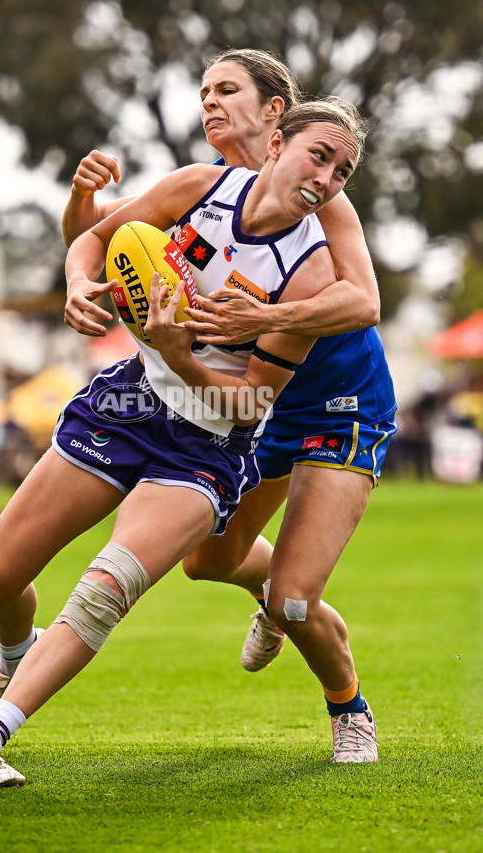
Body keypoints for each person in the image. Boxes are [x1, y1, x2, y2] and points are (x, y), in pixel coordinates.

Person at [0, 96, 368, 787]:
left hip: (206, 444)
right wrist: (81, 285)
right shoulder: (199, 188)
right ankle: (15, 654)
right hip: (128, 402)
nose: (326, 179)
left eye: (342, 172)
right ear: (274, 146)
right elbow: (95, 238)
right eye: (319, 156)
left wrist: (184, 355)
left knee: (106, 587)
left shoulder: (311, 279)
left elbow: (249, 404)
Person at [61, 49, 395, 764]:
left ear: (275, 115)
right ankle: (271, 595)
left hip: (339, 405)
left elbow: (364, 300)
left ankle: (350, 709)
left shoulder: (320, 189)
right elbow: (109, 249)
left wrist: (257, 321)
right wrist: (79, 204)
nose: (209, 104)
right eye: (203, 91)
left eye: (227, 90)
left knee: (295, 600)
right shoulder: (206, 187)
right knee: (208, 562)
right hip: (252, 406)